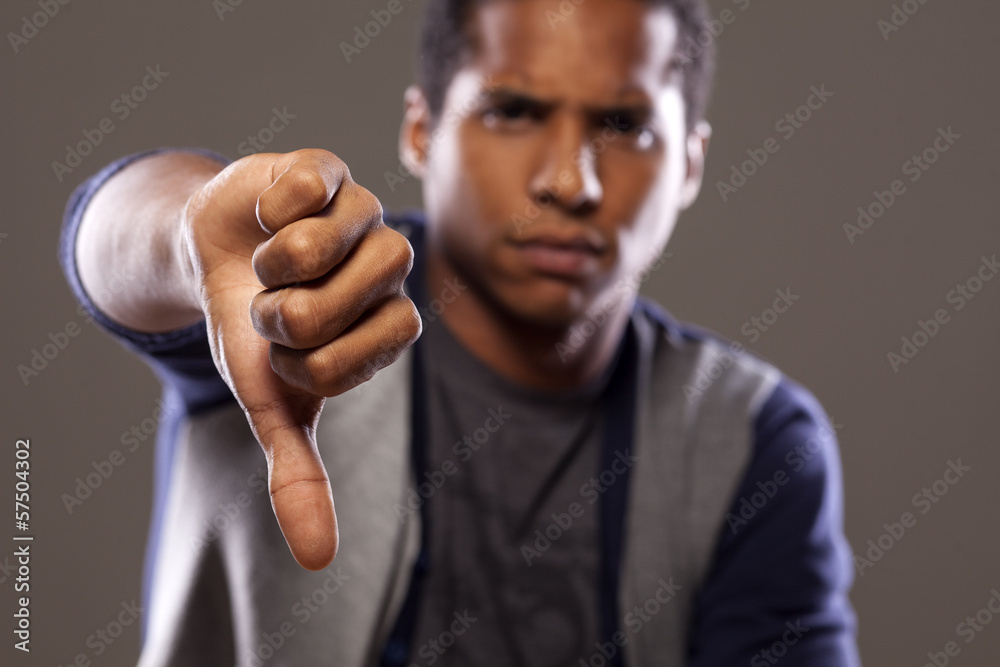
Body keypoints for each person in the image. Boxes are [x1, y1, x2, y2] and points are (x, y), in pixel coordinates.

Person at [59, 0, 860, 665]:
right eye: (512, 111)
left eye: (625, 124)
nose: (569, 180)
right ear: (421, 131)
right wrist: (183, 234)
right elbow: (117, 244)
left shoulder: (754, 438)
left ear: (689, 163)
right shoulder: (307, 312)